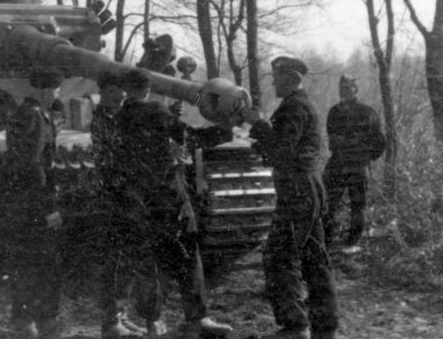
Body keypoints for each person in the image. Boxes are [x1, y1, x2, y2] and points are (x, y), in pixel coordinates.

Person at [112, 68, 233, 338]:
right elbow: (190, 138)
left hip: (138, 201)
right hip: (168, 198)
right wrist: (226, 129)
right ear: (147, 90)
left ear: (126, 90)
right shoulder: (155, 111)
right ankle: (198, 317)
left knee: (150, 262)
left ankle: (152, 321)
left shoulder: (118, 118)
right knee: (188, 255)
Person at [243, 57, 339, 339]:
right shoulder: (300, 105)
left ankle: (294, 326)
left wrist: (259, 124)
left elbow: (282, 152)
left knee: (278, 256)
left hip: (297, 189)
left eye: (278, 76)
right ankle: (325, 326)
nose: (273, 82)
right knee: (314, 258)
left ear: (292, 77)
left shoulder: (294, 107)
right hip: (307, 188)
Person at [2, 66, 65, 338]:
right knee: (45, 264)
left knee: (24, 263)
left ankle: (23, 320)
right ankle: (43, 321)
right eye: (56, 89)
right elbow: (34, 164)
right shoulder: (37, 116)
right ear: (48, 89)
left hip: (20, 200)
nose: (57, 94)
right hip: (35, 202)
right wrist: (48, 206)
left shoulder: (23, 112)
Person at [91, 70, 147, 338]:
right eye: (116, 88)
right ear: (104, 91)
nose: (122, 93)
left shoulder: (119, 117)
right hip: (113, 196)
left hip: (127, 194)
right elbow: (109, 159)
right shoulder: (101, 119)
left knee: (126, 259)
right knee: (114, 260)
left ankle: (121, 315)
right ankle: (111, 321)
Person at [323, 75, 386, 252]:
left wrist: (365, 159)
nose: (343, 90)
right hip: (337, 164)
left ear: (356, 90)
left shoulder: (368, 112)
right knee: (328, 203)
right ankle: (327, 241)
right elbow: (332, 138)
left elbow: (380, 142)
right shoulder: (334, 112)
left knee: (358, 205)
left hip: (358, 166)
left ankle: (352, 243)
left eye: (348, 87)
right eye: (341, 87)